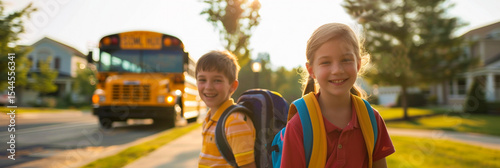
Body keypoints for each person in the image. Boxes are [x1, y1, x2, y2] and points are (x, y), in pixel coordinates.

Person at [280, 23, 395, 168]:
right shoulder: (299, 126)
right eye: (326, 62)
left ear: (358, 64)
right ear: (311, 70)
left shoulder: (372, 120)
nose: (337, 70)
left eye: (346, 60)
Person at [196, 50, 257, 168]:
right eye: (202, 80)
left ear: (232, 86)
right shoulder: (209, 118)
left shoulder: (234, 122)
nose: (208, 87)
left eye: (217, 80)